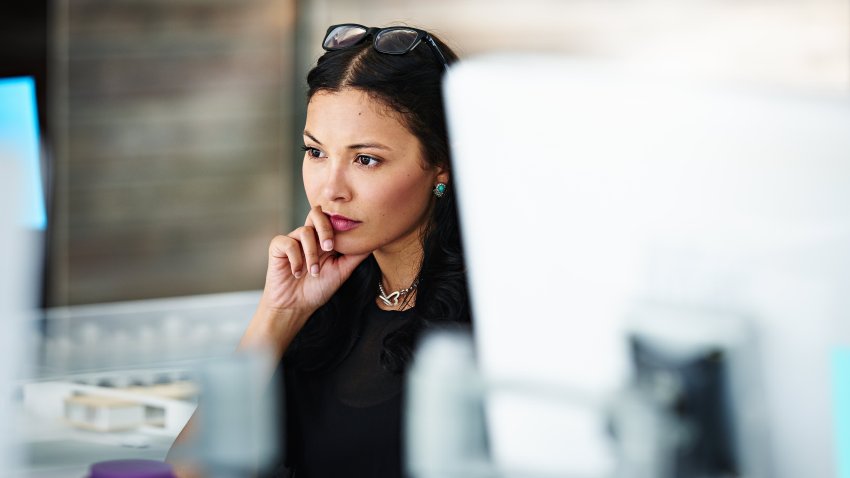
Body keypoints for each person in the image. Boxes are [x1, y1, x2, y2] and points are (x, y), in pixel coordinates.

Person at [168, 23, 469, 477]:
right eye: (316, 152)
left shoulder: (489, 321)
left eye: (366, 159)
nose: (330, 190)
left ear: (441, 162)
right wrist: (278, 315)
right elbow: (187, 473)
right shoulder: (324, 300)